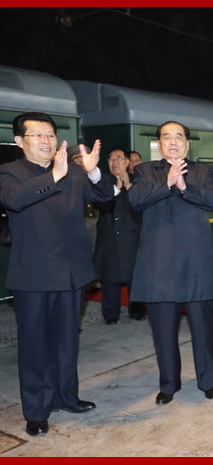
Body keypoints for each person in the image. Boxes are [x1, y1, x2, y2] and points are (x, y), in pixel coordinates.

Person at [0, 112, 113, 436]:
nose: (46, 141)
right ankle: (37, 410)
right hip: (34, 275)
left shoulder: (74, 172)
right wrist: (54, 176)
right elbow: (13, 200)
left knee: (67, 341)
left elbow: (105, 197)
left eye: (50, 134)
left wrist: (93, 172)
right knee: (35, 345)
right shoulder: (10, 173)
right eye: (37, 135)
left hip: (72, 272)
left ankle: (66, 396)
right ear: (20, 141)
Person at [128, 121, 213, 406]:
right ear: (159, 144)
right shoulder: (145, 171)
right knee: (163, 330)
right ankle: (168, 384)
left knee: (203, 328)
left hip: (196, 263)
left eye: (178, 137)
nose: (173, 142)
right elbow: (136, 199)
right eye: (166, 137)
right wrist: (167, 183)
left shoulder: (202, 171)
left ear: (187, 143)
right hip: (159, 265)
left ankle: (209, 381)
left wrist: (184, 187)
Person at [93, 148, 145, 324]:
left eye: (119, 158)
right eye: (111, 158)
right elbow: (98, 204)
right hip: (109, 236)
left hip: (133, 236)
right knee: (110, 277)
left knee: (135, 277)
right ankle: (110, 314)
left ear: (127, 162)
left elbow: (142, 204)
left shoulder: (138, 181)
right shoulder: (102, 181)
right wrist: (116, 188)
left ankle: (137, 311)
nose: (114, 162)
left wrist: (128, 185)